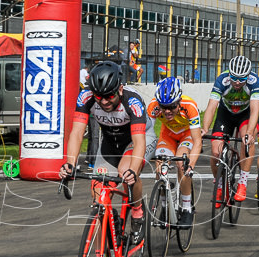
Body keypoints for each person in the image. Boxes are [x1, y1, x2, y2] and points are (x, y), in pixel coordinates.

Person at [58, 61, 153, 245]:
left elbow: (139, 141)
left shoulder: (132, 101)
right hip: (110, 143)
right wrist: (70, 163)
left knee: (125, 171)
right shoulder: (85, 97)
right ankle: (106, 247)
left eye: (109, 96)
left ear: (120, 89)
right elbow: (77, 133)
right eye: (99, 96)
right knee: (97, 189)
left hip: (138, 139)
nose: (103, 101)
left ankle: (137, 212)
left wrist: (133, 170)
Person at [200, 54, 259, 203]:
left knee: (247, 140)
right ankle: (220, 185)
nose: (238, 82)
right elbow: (212, 106)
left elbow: (255, 110)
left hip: (244, 115)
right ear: (229, 73)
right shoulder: (222, 79)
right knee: (215, 152)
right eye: (234, 78)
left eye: (241, 78)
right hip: (225, 114)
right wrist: (205, 128)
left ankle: (243, 183)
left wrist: (250, 133)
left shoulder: (254, 81)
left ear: (248, 76)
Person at [146, 77, 201, 228]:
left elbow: (197, 141)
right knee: (160, 163)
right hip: (168, 135)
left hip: (186, 135)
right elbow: (145, 133)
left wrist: (191, 165)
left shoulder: (190, 106)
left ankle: (186, 208)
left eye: (172, 106)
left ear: (179, 101)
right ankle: (164, 206)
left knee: (181, 163)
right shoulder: (153, 106)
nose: (168, 111)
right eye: (164, 107)